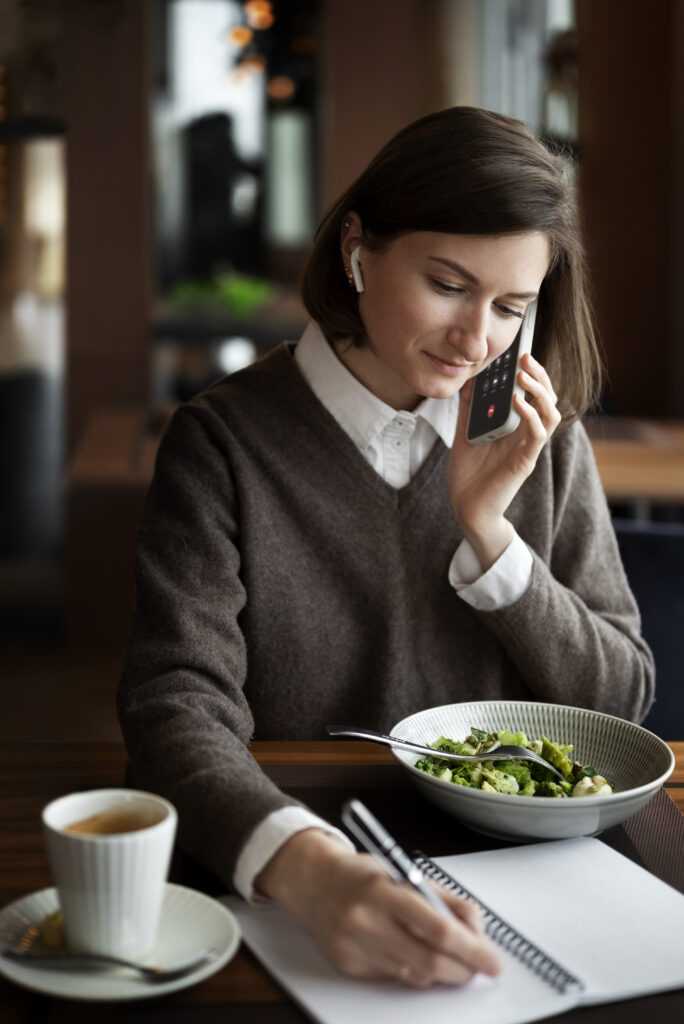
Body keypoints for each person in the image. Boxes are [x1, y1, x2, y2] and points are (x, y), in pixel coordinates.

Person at [118, 106, 655, 990]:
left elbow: (622, 700)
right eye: (448, 285)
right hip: (297, 879)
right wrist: (311, 870)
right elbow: (174, 708)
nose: (477, 339)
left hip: (535, 891)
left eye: (512, 307)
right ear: (358, 250)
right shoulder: (223, 442)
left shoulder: (545, 442)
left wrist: (491, 536)